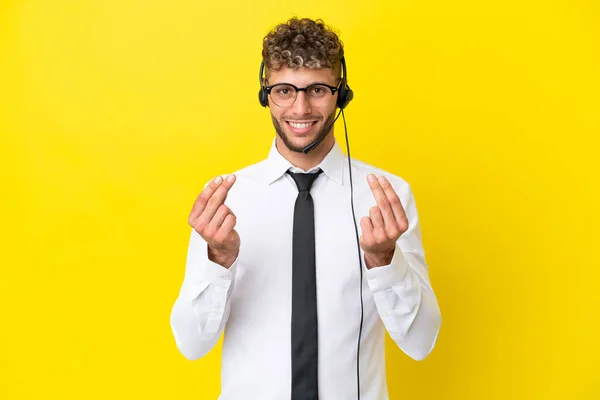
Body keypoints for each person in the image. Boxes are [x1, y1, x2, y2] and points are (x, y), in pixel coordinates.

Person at [170, 17, 442, 400]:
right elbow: (191, 344)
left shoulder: (387, 197)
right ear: (266, 94)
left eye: (316, 89)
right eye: (284, 90)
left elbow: (421, 341)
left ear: (341, 93)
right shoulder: (226, 200)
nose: (300, 108)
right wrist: (218, 258)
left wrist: (385, 260)